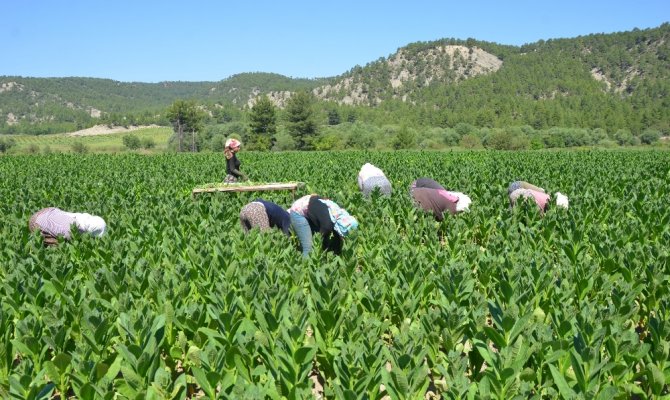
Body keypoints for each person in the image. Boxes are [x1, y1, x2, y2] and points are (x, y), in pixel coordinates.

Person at [288, 195, 358, 257]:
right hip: (298, 211)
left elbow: (337, 236)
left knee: (324, 241)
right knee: (308, 247)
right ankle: (304, 268)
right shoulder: (327, 225)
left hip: (314, 210)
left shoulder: (342, 218)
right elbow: (320, 238)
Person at [28, 207, 107, 246]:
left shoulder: (83, 218)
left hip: (47, 211)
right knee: (59, 245)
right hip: (36, 224)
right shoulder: (70, 233)